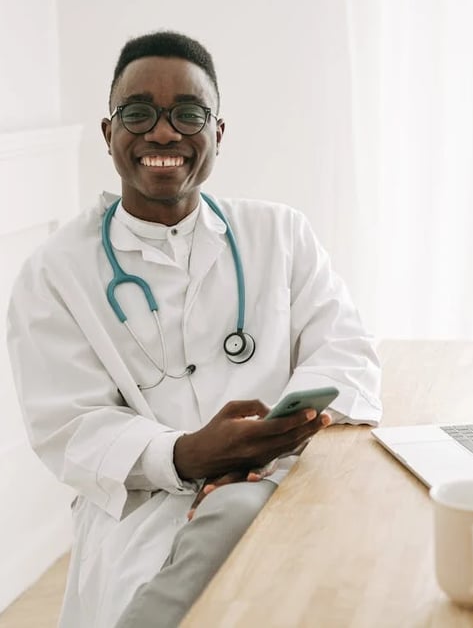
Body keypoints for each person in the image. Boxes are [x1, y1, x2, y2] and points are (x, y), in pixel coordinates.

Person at [6, 31, 382, 628]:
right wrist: (187, 455)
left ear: (218, 134)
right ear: (109, 134)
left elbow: (347, 355)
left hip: (278, 476)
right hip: (144, 509)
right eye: (138, 113)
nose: (163, 132)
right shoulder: (55, 271)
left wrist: (256, 451)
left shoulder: (279, 234)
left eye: (188, 114)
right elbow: (69, 427)